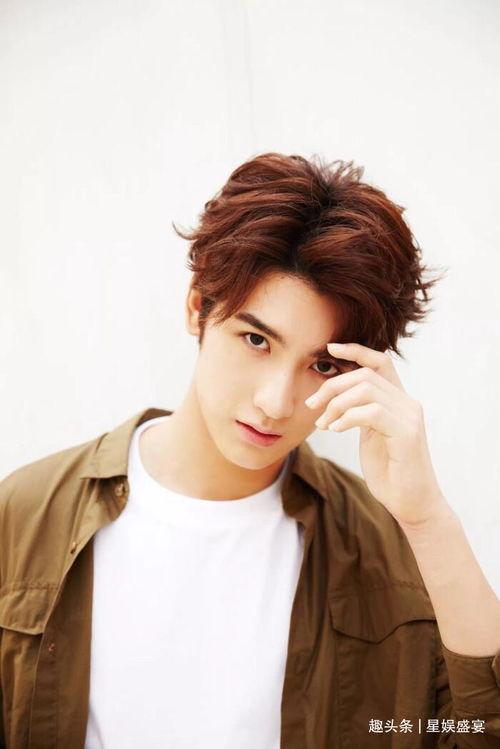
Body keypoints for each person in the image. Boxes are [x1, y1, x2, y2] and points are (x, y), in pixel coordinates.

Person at [0, 153, 499, 749]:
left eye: (322, 365)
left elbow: (477, 732)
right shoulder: (25, 514)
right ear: (197, 307)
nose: (275, 402)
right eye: (257, 339)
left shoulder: (385, 549)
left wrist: (427, 518)